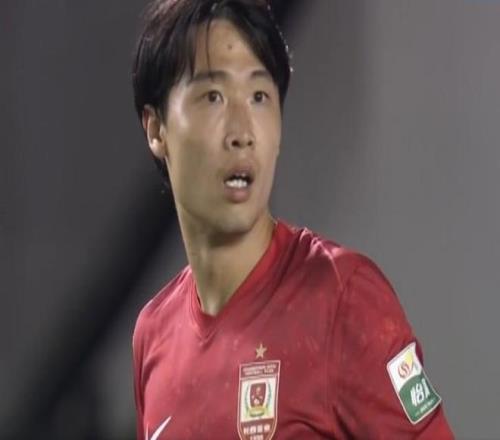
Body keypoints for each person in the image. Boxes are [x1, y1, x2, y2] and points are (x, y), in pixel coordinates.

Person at [131, 1, 454, 439]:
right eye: (213, 97)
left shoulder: (342, 298)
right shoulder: (153, 335)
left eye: (259, 97)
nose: (242, 132)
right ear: (156, 129)